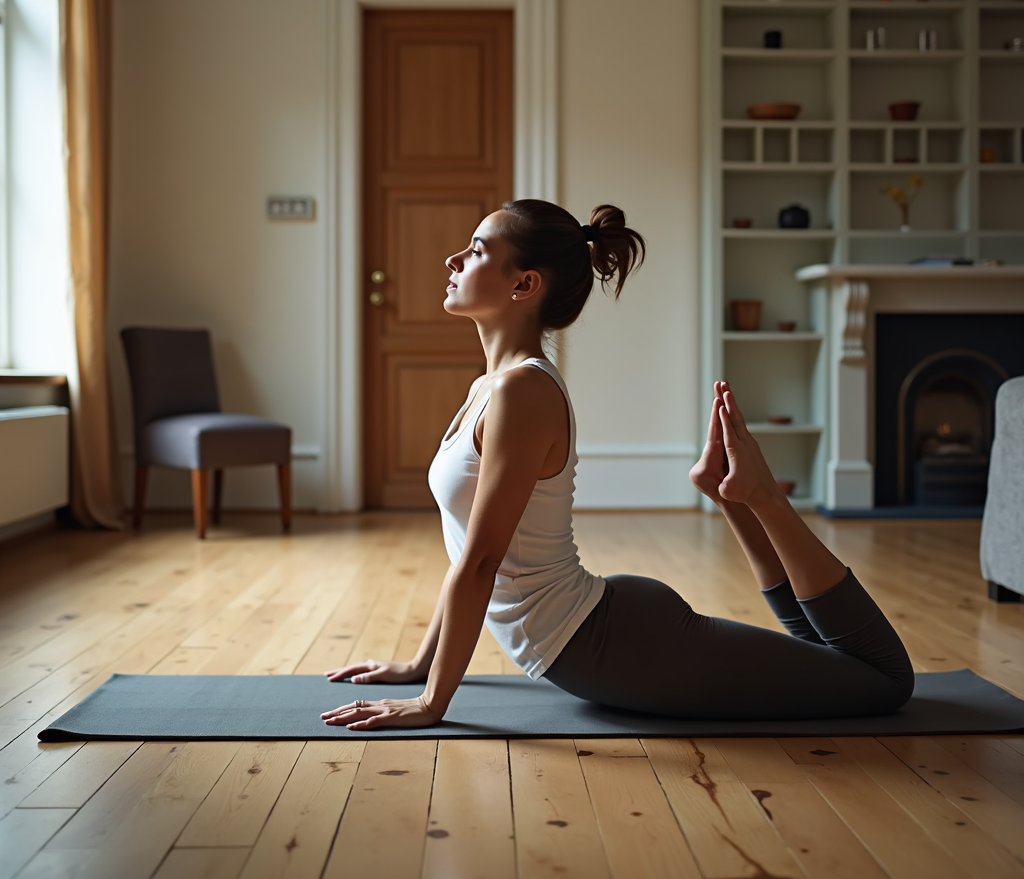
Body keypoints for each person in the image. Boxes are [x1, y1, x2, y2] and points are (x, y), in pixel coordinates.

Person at [321, 200, 913, 730]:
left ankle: (760, 498)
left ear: (524, 284)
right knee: (832, 668)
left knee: (881, 682)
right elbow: (465, 551)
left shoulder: (520, 394)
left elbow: (481, 563)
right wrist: (418, 665)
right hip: (609, 633)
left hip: (617, 646)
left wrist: (431, 703)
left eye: (475, 250)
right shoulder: (492, 387)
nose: (453, 259)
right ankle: (737, 496)